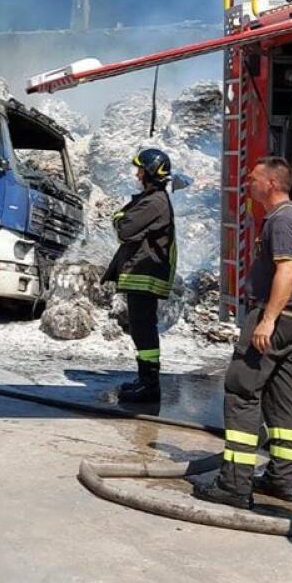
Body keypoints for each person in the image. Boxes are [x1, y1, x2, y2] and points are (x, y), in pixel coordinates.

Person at [196, 156, 292, 509]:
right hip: (291, 319)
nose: (248, 183)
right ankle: (282, 479)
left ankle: (234, 484)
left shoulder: (281, 222)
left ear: (273, 184)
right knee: (281, 398)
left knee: (241, 389)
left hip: (274, 317)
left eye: (254, 178)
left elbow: (287, 272)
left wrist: (267, 320)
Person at [103, 147, 177, 404]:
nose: (137, 174)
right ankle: (145, 380)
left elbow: (124, 228)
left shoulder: (154, 202)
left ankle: (149, 385)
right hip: (141, 273)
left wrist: (119, 217)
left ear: (150, 173)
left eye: (141, 170)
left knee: (144, 330)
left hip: (144, 274)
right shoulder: (152, 199)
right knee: (141, 329)